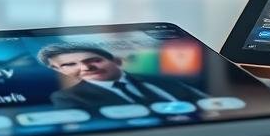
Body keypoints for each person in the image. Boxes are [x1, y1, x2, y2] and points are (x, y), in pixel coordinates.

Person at [37, 44, 206, 110]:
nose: (86, 68)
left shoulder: (162, 79)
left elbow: (204, 100)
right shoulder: (67, 97)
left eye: (94, 60)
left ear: (116, 61)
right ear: (59, 70)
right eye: (69, 65)